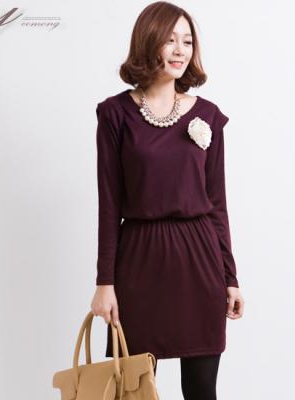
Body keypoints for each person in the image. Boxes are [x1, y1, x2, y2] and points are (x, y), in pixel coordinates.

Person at [90, 1, 245, 398]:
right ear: (148, 42)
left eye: (188, 41)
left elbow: (217, 203)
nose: (180, 50)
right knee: (133, 390)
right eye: (170, 40)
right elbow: (109, 205)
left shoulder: (208, 116)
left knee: (201, 390)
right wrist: (105, 282)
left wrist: (230, 277)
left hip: (200, 261)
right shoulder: (115, 114)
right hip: (139, 261)